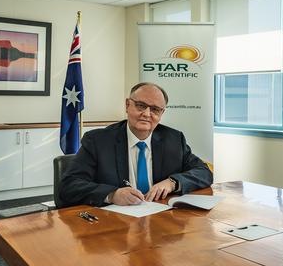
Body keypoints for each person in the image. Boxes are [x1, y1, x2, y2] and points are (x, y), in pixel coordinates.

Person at [60, 82, 213, 207]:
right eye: (140, 105)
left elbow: (204, 172)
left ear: (161, 114)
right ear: (127, 105)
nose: (147, 114)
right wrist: (113, 194)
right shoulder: (98, 140)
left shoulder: (173, 139)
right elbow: (69, 186)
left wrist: (172, 182)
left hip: (160, 221)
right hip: (112, 225)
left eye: (155, 109)